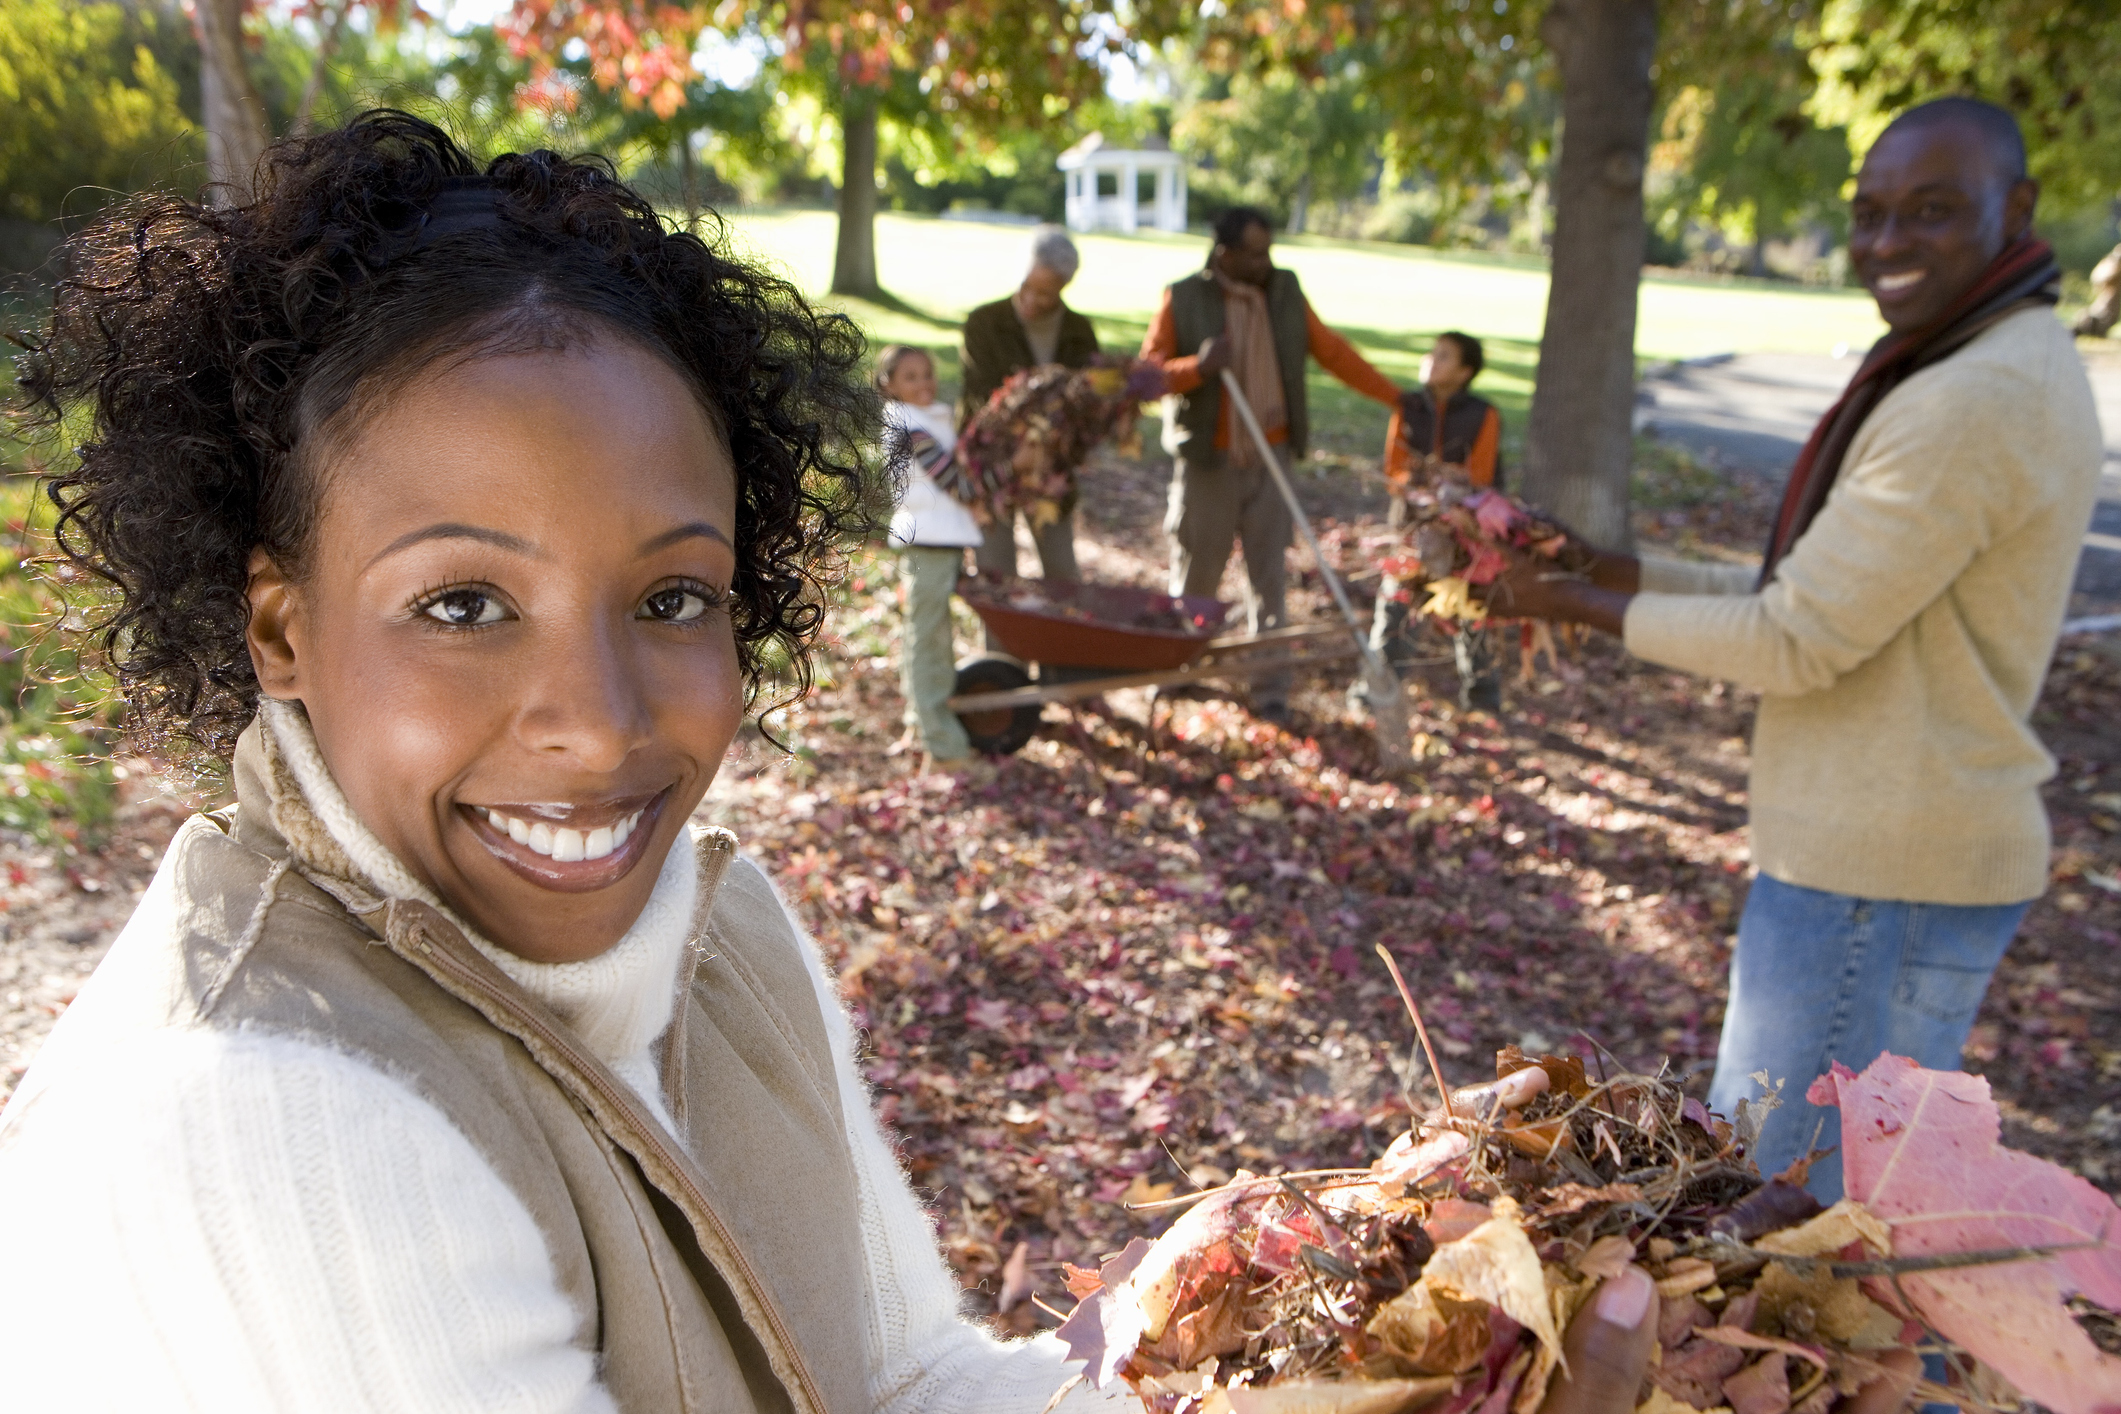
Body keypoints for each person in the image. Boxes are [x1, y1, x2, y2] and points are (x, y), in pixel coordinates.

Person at [0, 113, 1116, 1412]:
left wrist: (1205, 1366)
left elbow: (904, 1372)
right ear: (280, 627)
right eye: (465, 604)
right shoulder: (258, 1111)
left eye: (671, 597)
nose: (596, 724)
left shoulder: (727, 935)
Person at [1488, 98, 2103, 1202]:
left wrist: (1571, 605)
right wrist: (1611, 573)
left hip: (1877, 880)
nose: (1886, 243)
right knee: (1861, 1239)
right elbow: (1811, 588)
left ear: (2016, 210)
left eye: (1931, 210)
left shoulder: (1972, 392)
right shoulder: (1985, 353)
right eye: (1868, 215)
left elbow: (1796, 635)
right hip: (1887, 864)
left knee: (1792, 1245)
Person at [1141, 205, 1404, 725]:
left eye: (1269, 251)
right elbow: (1146, 376)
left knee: (1269, 575)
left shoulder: (1284, 291)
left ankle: (1270, 687)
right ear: (1226, 254)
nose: (1266, 262)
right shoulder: (1184, 296)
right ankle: (1180, 672)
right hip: (1209, 461)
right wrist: (1199, 366)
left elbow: (1332, 352)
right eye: (1255, 253)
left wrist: (1395, 397)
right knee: (1199, 570)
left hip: (1273, 453)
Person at [958, 225, 1100, 609]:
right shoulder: (983, 323)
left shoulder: (1078, 332)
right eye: (1028, 286)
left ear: (1064, 287)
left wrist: (1052, 445)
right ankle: (1003, 666)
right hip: (993, 468)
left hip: (1050, 470)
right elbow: (982, 400)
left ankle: (1063, 661)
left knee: (1062, 575)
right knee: (997, 580)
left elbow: (1088, 406)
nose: (1033, 299)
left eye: (1046, 293)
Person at [1372, 331, 1507, 710]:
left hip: (1466, 532)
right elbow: (1393, 468)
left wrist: (1445, 490)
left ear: (1465, 372)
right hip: (1412, 530)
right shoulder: (1408, 406)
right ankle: (1376, 696)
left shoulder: (1484, 414)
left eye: (1444, 356)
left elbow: (1480, 475)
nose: (1432, 360)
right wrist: (1416, 486)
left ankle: (1482, 701)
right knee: (1396, 611)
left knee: (1475, 613)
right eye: (1433, 353)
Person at [876, 344, 983, 771]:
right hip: (928, 543)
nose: (924, 383)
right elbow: (952, 479)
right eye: (911, 377)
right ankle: (942, 746)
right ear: (890, 385)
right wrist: (997, 488)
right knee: (928, 640)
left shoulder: (927, 417)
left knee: (932, 636)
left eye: (928, 373)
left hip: (941, 542)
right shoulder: (909, 427)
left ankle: (921, 724)